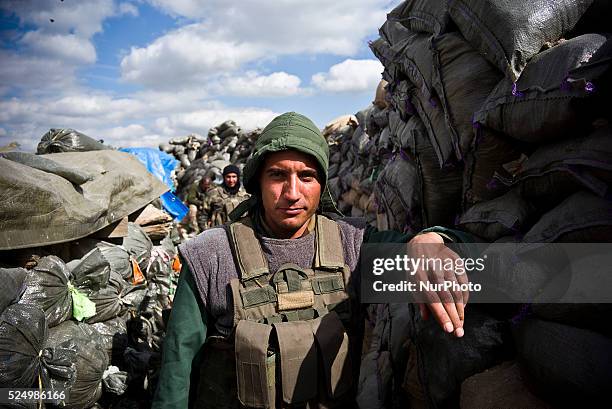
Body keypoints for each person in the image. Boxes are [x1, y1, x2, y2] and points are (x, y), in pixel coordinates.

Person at [152, 112, 473, 409]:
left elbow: (496, 265)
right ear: (257, 183)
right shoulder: (210, 254)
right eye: (277, 175)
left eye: (306, 176)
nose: (292, 193)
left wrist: (431, 239)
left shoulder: (353, 244)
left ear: (322, 184)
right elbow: (177, 369)